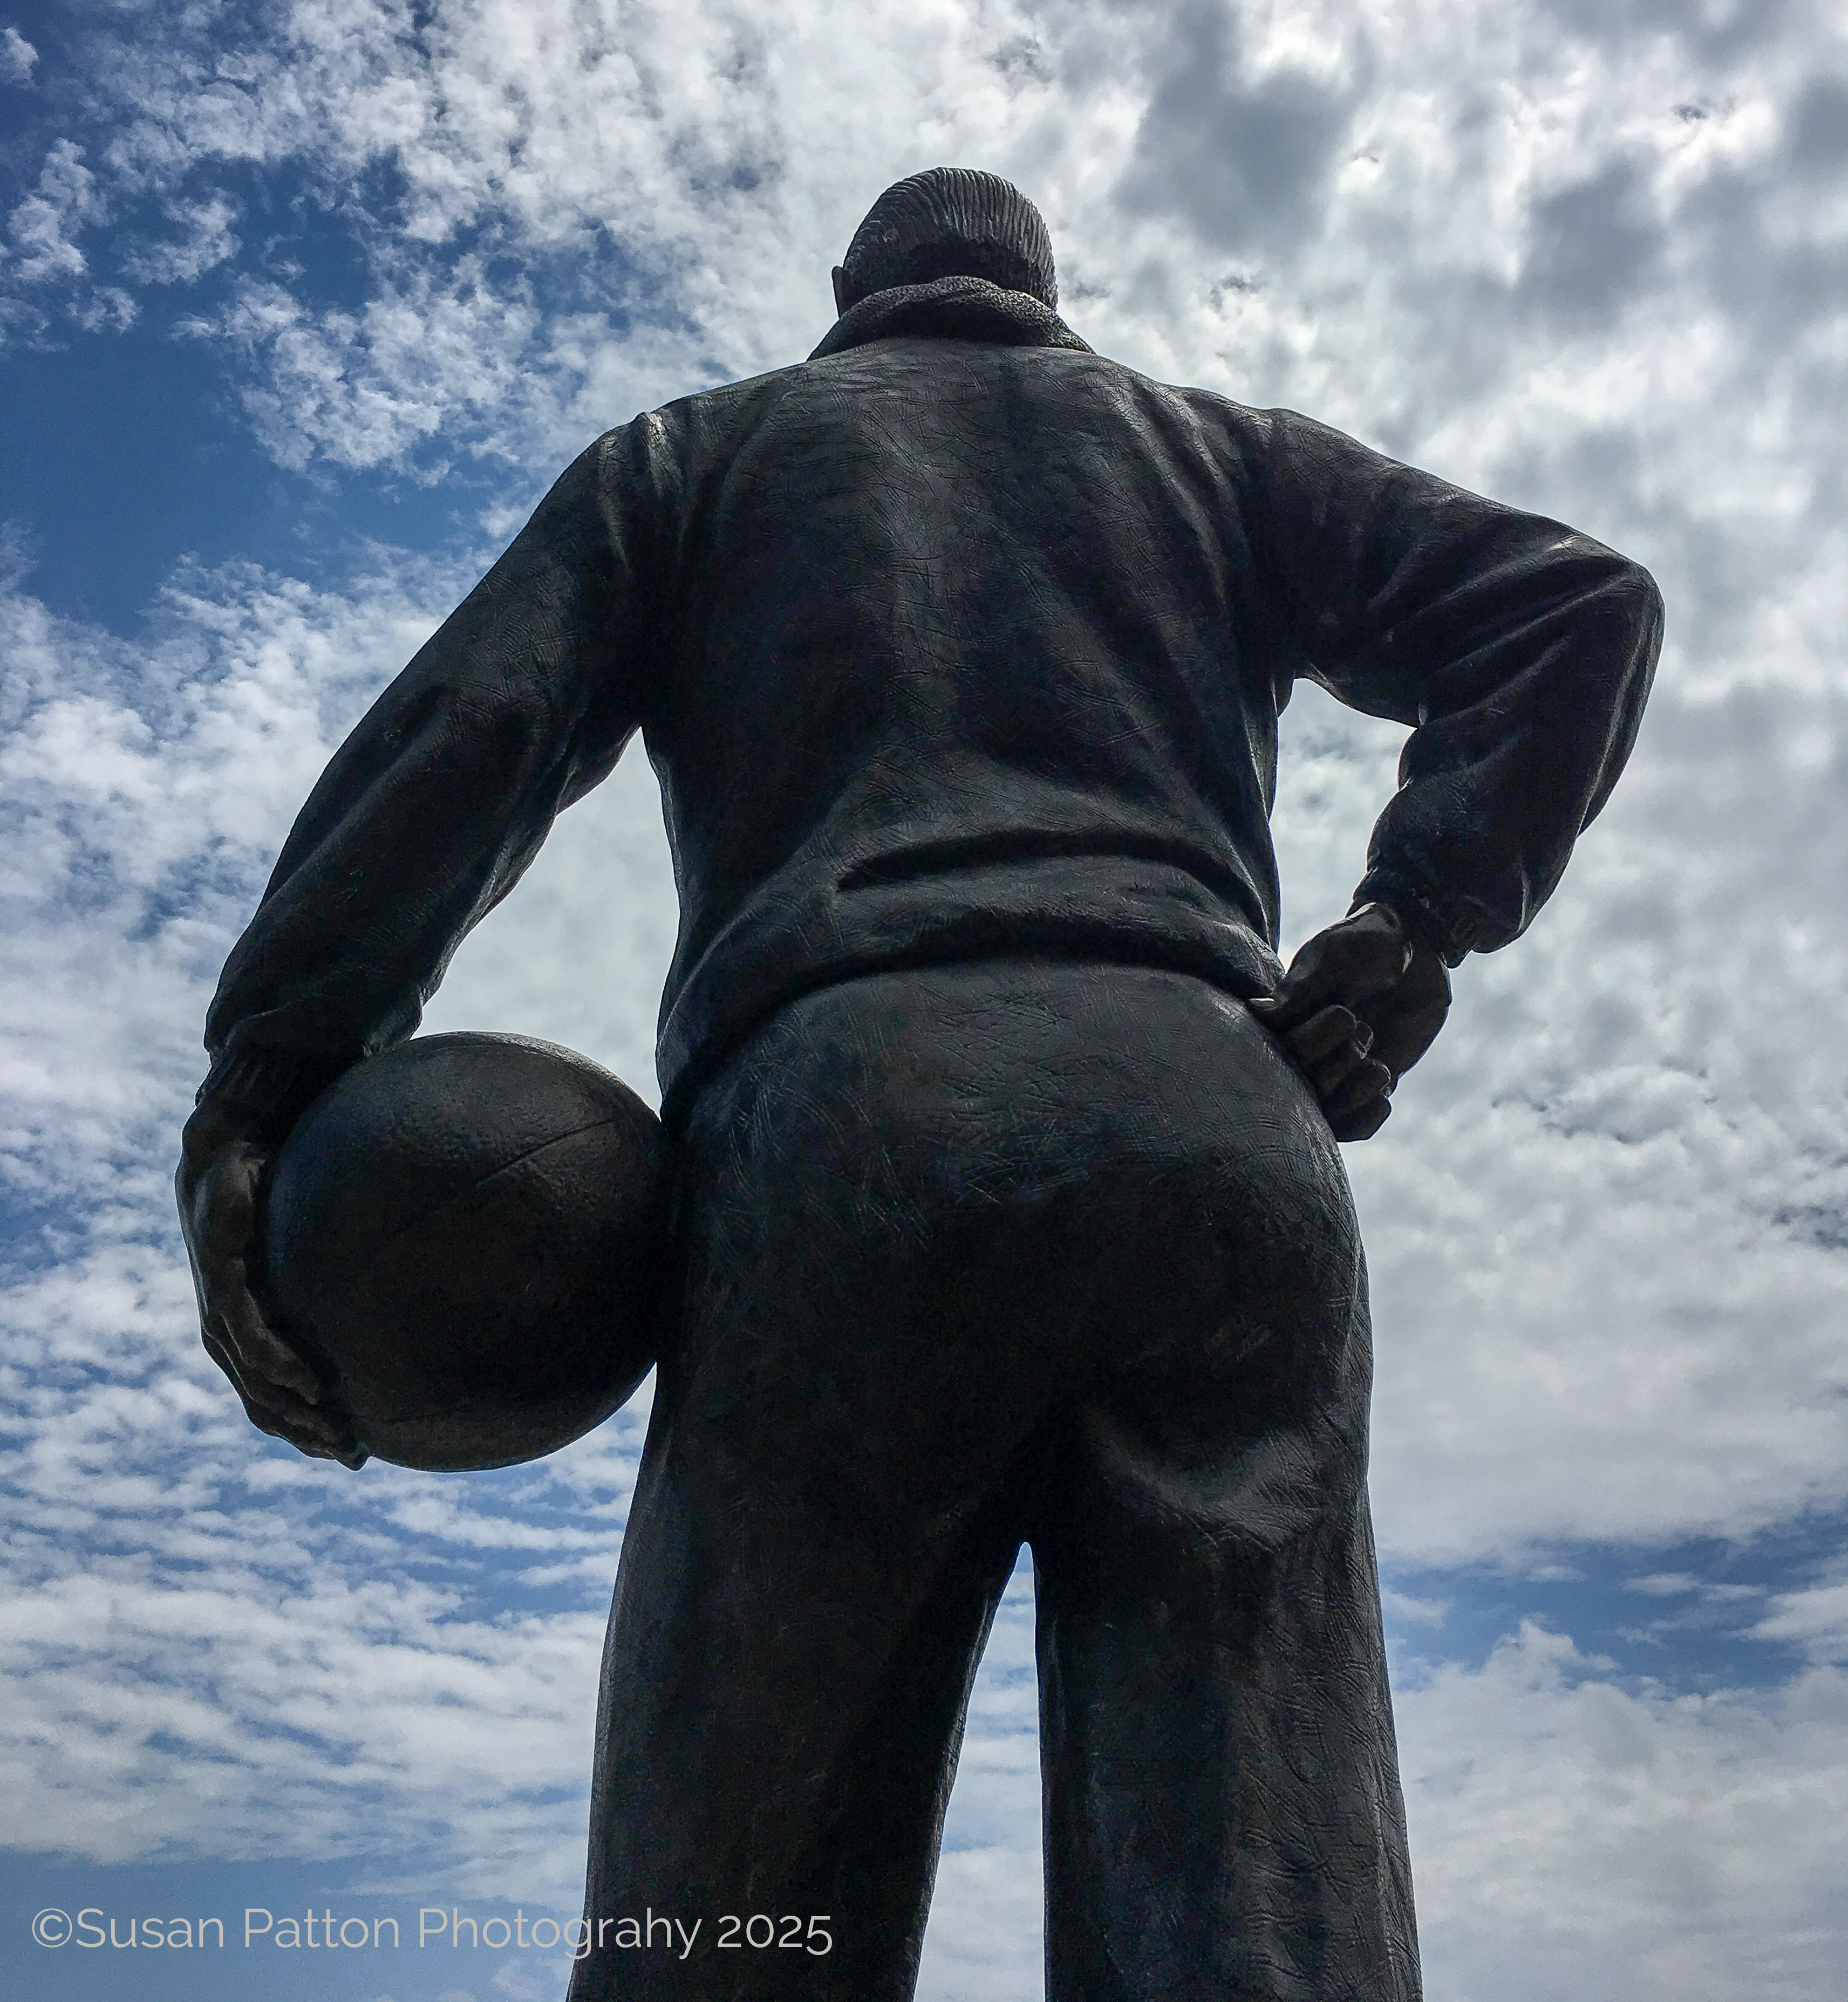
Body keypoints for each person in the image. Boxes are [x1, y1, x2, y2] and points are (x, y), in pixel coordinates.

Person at [176, 169, 1662, 2000]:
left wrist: (269, 1086)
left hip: (843, 1130)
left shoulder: (696, 457)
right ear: (1042, 293)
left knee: (730, 1924)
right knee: (1261, 1925)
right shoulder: (1218, 457)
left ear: (847, 292)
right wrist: (1413, 920)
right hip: (1219, 1130)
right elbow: (1571, 603)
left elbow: (470, 736)